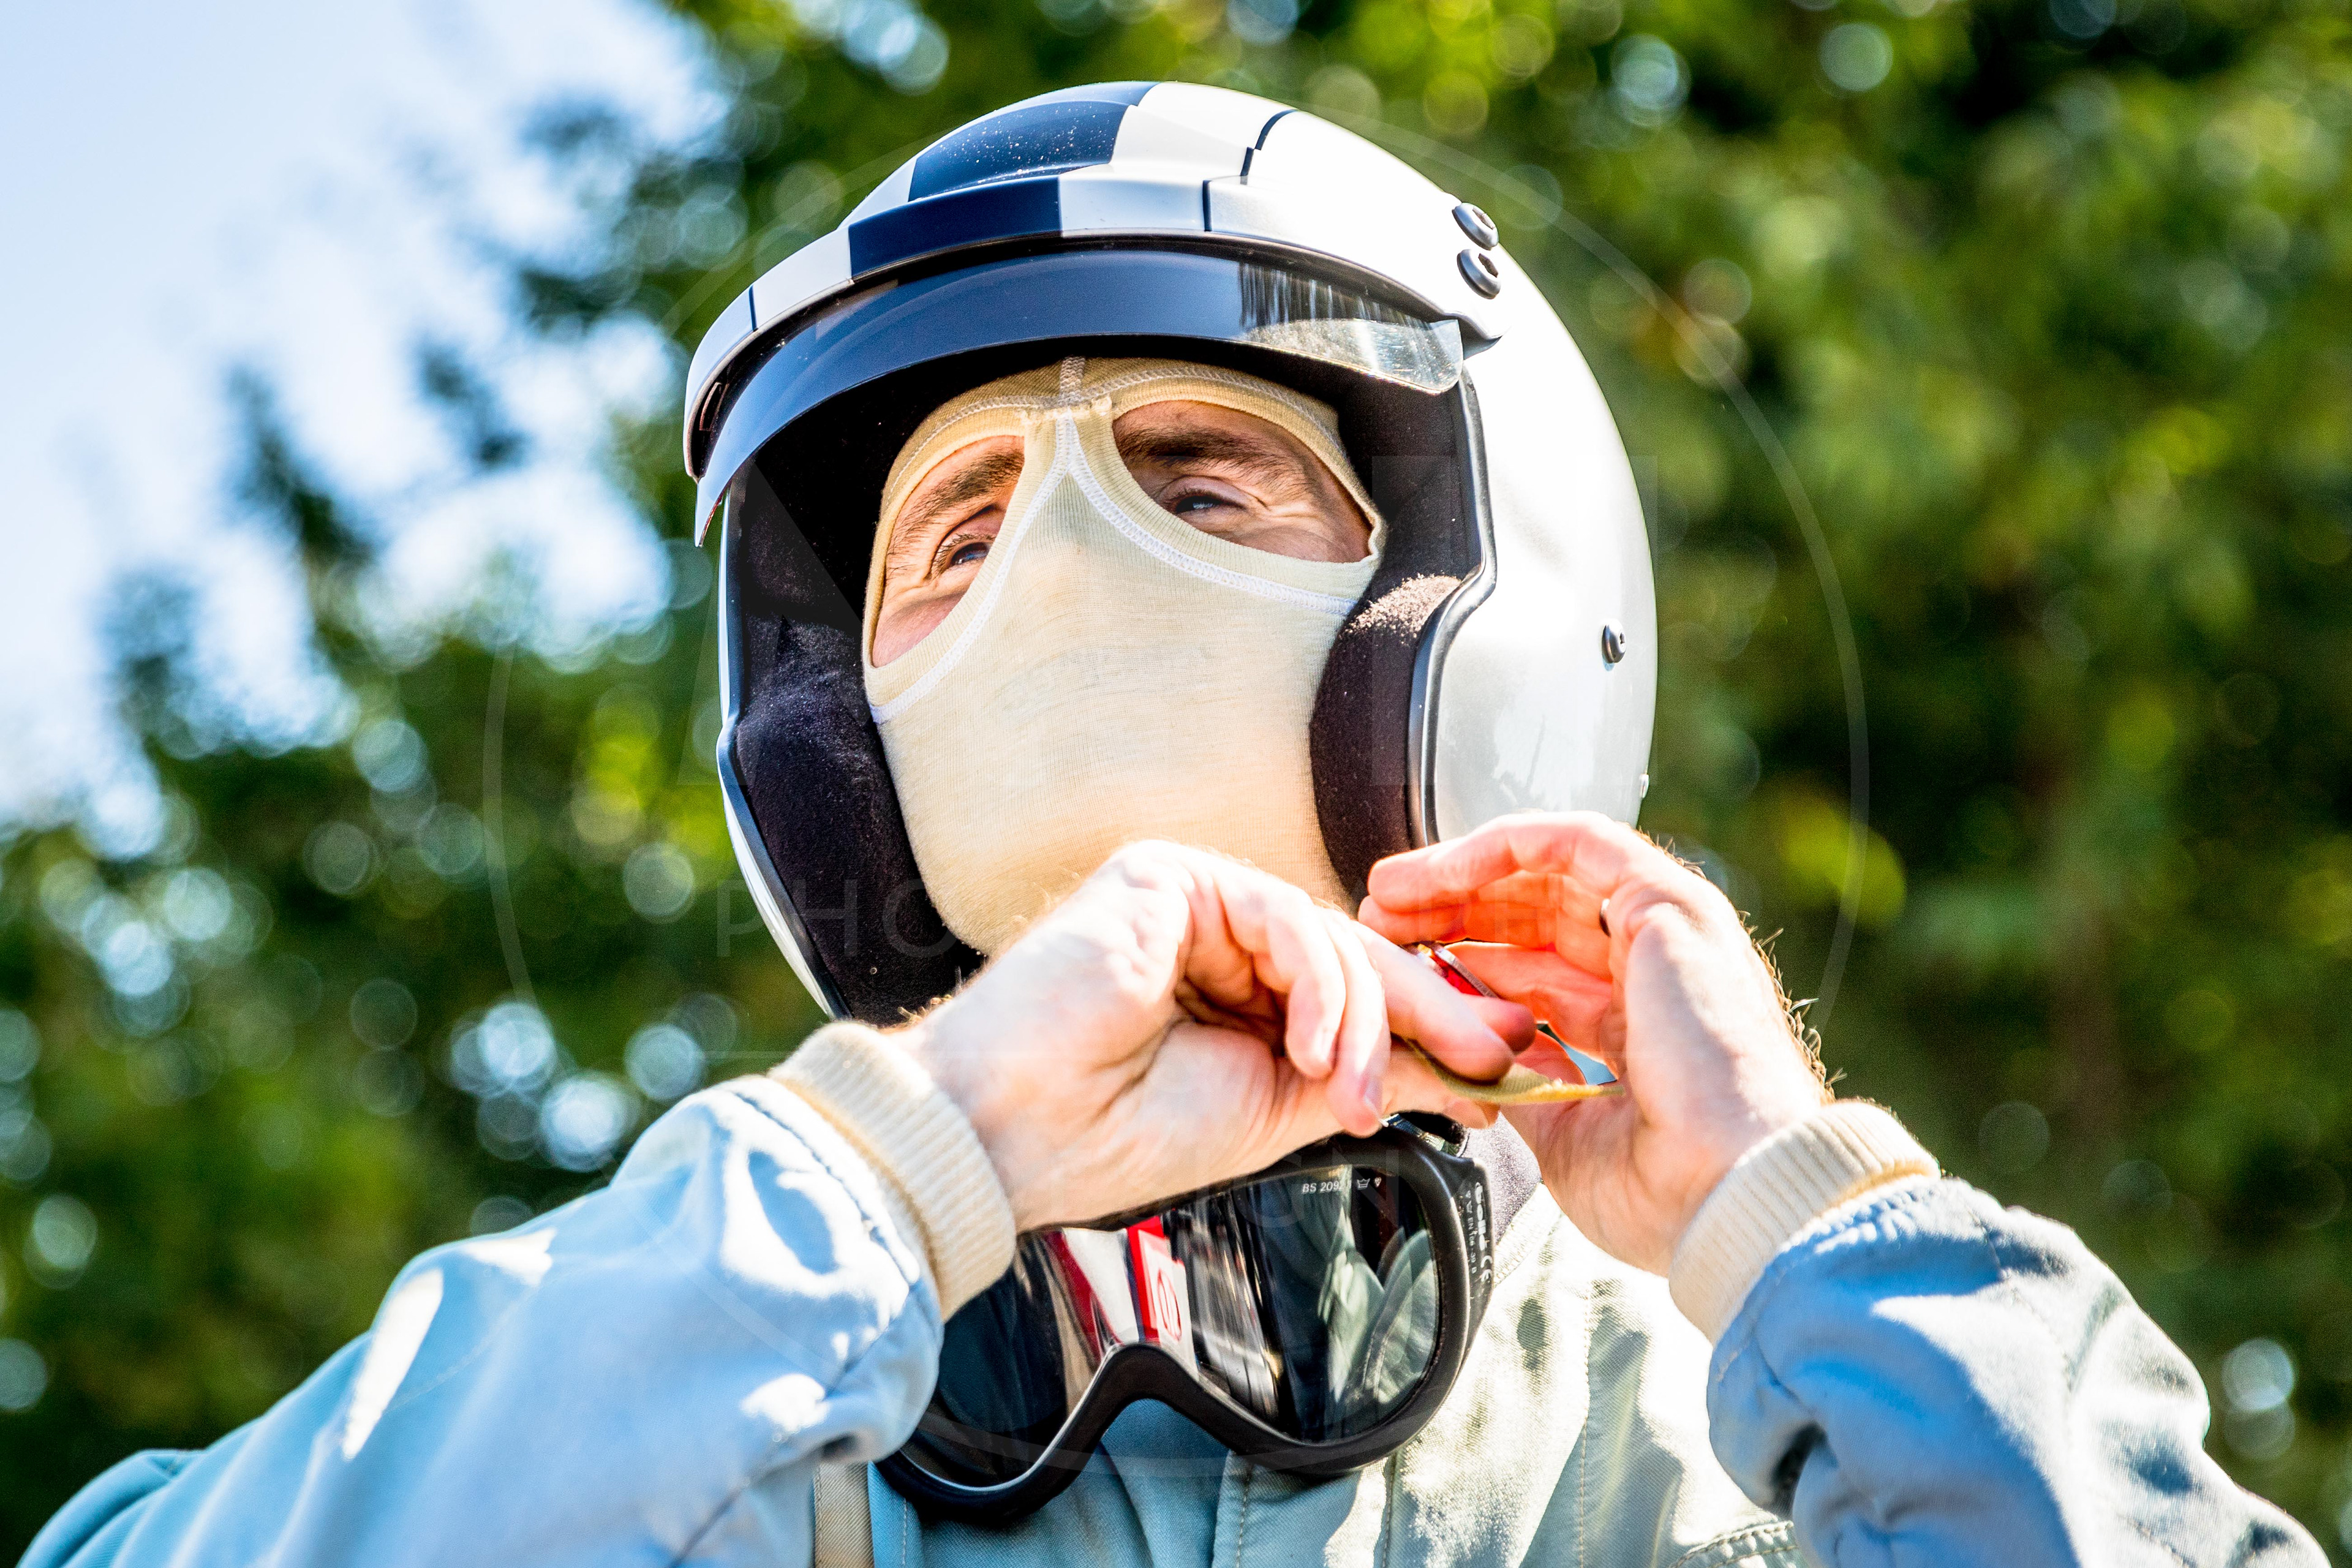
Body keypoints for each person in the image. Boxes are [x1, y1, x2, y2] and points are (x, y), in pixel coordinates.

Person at [27, 85, 2323, 1567]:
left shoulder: (1755, 1455)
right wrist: (902, 1162)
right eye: (956, 526)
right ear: (831, 739)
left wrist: (1790, 1210)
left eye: (1199, 473)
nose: (1055, 578)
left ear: (1470, 607)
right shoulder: (695, 1415)